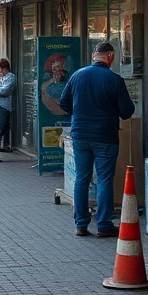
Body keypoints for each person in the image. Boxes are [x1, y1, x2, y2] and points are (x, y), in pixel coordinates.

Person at [59, 42, 135, 238]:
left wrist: (80, 114)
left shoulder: (77, 75)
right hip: (105, 136)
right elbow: (127, 111)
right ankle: (104, 224)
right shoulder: (114, 79)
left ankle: (81, 224)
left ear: (95, 55)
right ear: (110, 55)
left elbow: (64, 102)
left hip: (81, 135)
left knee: (81, 179)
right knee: (104, 180)